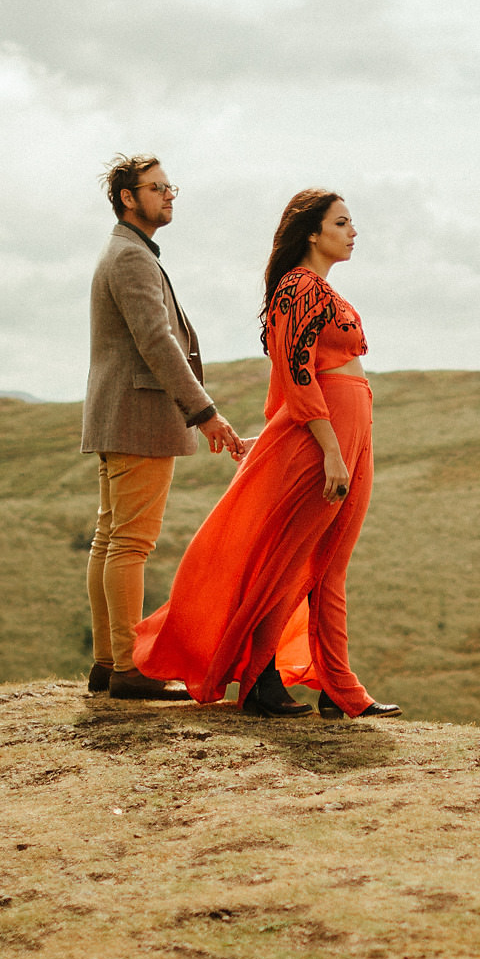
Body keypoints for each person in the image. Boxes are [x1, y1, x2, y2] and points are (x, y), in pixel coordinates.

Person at [131, 189, 399, 720]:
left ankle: (336, 685)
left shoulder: (318, 289)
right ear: (313, 233)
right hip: (328, 437)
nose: (352, 232)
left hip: (351, 429)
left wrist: (281, 431)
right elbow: (296, 374)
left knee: (331, 563)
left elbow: (287, 377)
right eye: (341, 223)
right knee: (290, 561)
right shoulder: (298, 288)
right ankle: (260, 678)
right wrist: (326, 450)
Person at [80, 154, 245, 702]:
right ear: (128, 197)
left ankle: (109, 662)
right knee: (129, 543)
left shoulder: (129, 252)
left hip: (122, 416)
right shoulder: (130, 257)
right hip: (140, 418)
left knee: (110, 540)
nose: (169, 194)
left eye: (171, 185)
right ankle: (128, 667)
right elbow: (157, 343)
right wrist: (205, 413)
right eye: (157, 187)